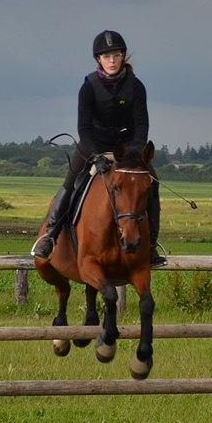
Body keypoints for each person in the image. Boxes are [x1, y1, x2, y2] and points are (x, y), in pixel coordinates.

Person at [31, 30, 165, 266]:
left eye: (115, 55)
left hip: (127, 148)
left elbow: (141, 126)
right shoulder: (89, 87)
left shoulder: (136, 87)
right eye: (106, 56)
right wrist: (95, 156)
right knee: (72, 182)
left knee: (151, 183)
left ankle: (151, 245)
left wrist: (133, 152)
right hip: (93, 144)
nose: (111, 60)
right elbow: (84, 128)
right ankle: (49, 235)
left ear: (123, 56)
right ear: (98, 60)